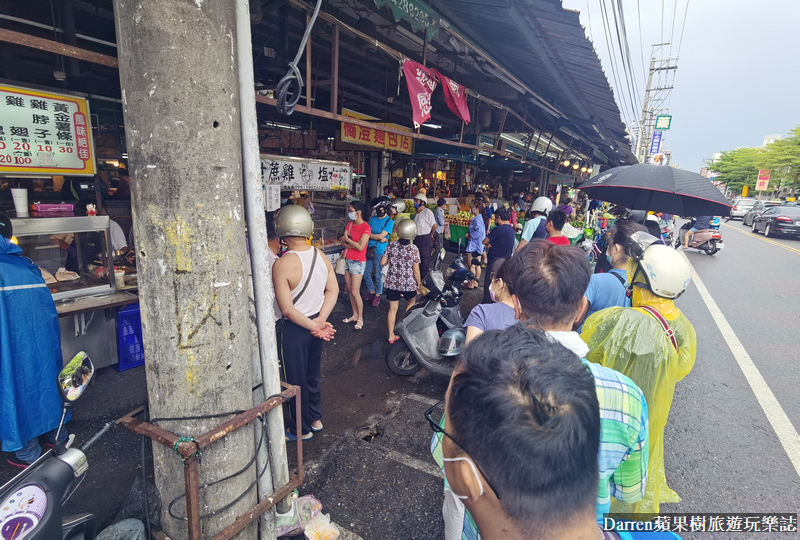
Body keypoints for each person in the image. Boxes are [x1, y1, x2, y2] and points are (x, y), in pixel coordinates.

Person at [434, 240, 649, 538]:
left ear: (517, 306)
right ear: (581, 308)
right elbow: (627, 489)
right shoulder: (628, 396)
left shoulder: (480, 380)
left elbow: (448, 460)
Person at [581, 232, 697, 513]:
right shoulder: (684, 329)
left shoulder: (611, 321)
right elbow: (680, 368)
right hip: (651, 417)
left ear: (643, 280)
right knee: (636, 466)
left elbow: (583, 356)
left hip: (605, 415)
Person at [1, 211, 69, 467]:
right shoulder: (27, 266)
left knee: (12, 386)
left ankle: (27, 452)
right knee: (44, 380)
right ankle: (56, 434)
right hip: (40, 342)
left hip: (11, 345)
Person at [272, 206, 338, 441]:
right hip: (315, 326)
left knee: (293, 380)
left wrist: (315, 325)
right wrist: (320, 320)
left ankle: (298, 429)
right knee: (311, 374)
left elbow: (288, 310)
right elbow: (332, 289)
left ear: (281, 231)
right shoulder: (320, 255)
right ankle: (315, 419)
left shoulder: (282, 264)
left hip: (295, 330)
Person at [576, 221, 647, 330]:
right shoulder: (645, 286)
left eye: (610, 245)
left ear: (617, 249)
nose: (608, 249)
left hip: (589, 344)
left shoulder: (595, 282)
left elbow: (577, 319)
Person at [382, 219, 422, 344]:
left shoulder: (391, 245)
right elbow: (416, 271)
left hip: (392, 283)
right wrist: (419, 284)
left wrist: (392, 261)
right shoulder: (414, 249)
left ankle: (391, 335)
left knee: (392, 310)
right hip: (409, 284)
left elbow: (382, 262)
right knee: (410, 305)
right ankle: (404, 331)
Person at [463, 258, 516, 344]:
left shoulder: (481, 313)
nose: (491, 281)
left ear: (500, 283)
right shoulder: (533, 318)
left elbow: (470, 354)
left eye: (492, 277)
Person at [340, 201, 371, 330]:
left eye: (351, 210)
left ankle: (361, 319)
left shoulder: (366, 227)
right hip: (347, 259)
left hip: (358, 262)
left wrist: (348, 240)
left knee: (355, 291)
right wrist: (351, 242)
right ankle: (354, 315)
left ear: (358, 212)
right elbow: (342, 242)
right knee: (350, 290)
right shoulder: (350, 224)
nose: (350, 213)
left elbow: (360, 247)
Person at [363, 201, 394, 308]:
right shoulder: (373, 219)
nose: (378, 211)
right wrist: (379, 237)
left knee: (378, 274)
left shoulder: (389, 221)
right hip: (369, 249)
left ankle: (377, 295)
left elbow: (376, 235)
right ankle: (371, 292)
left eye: (380, 208)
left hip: (380, 251)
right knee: (366, 273)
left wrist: (372, 236)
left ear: (385, 209)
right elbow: (369, 233)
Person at [481, 207, 515, 303]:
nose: (495, 220)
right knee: (500, 285)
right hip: (505, 263)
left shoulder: (498, 229)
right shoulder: (512, 231)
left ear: (499, 218)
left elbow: (484, 241)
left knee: (490, 284)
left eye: (496, 218)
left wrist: (489, 242)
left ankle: (487, 303)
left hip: (494, 263)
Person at [413, 193, 436, 279]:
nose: (415, 202)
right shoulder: (417, 213)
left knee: (424, 260)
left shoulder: (428, 212)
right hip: (416, 238)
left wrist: (431, 234)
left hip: (425, 238)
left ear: (423, 202)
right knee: (416, 260)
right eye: (415, 201)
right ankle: (417, 278)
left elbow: (434, 225)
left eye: (417, 201)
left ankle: (424, 280)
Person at [463, 200, 485, 288]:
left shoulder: (477, 219)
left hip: (474, 245)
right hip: (478, 245)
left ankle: (472, 282)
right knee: (477, 265)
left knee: (471, 265)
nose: (472, 209)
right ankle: (476, 282)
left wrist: (470, 236)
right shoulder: (479, 218)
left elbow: (479, 231)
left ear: (477, 209)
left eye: (474, 208)